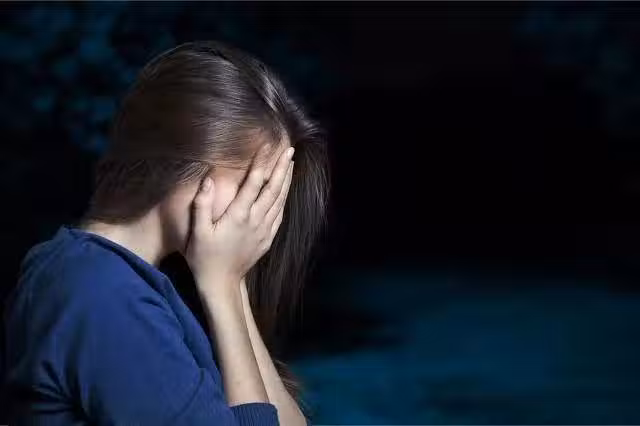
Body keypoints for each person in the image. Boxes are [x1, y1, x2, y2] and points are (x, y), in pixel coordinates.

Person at [2, 40, 330, 425]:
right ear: (187, 170)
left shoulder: (123, 280)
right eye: (256, 187)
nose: (264, 213)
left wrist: (230, 282)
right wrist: (223, 286)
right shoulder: (102, 293)